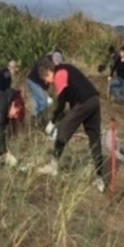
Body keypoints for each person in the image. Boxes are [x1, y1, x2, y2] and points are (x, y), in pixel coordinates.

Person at [37, 57, 105, 192]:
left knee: (62, 131)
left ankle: (53, 166)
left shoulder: (60, 73)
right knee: (94, 139)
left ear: (50, 71)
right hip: (94, 101)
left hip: (84, 102)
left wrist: (52, 121)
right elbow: (68, 103)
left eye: (46, 78)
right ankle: (100, 179)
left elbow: (61, 104)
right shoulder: (66, 69)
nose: (47, 82)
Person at [26, 52, 62, 125]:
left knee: (37, 104)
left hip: (34, 82)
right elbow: (43, 75)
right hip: (34, 82)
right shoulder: (45, 62)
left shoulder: (49, 62)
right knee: (42, 102)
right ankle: (42, 122)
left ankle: (35, 122)